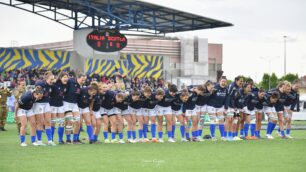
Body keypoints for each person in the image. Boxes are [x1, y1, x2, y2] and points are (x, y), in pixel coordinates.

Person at [33, 71, 55, 146]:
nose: (52, 81)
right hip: (38, 104)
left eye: (53, 79)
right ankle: (39, 141)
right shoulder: (40, 83)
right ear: (46, 78)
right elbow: (36, 92)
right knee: (40, 122)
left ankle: (50, 140)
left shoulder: (51, 86)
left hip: (46, 104)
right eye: (51, 79)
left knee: (48, 121)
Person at [63, 73, 86, 144]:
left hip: (74, 105)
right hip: (66, 103)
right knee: (69, 122)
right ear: (78, 78)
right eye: (82, 80)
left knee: (78, 122)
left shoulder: (80, 86)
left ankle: (75, 140)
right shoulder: (70, 81)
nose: (83, 81)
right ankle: (68, 139)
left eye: (84, 80)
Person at [49, 71, 68, 144]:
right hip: (53, 105)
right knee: (53, 123)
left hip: (60, 105)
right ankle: (51, 139)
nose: (66, 79)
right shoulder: (54, 85)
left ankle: (60, 140)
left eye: (67, 77)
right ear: (60, 78)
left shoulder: (65, 85)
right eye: (64, 77)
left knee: (61, 122)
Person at [207, 77, 228, 141]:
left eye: (225, 81)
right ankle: (213, 136)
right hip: (211, 106)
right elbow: (208, 95)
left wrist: (225, 107)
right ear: (219, 81)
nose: (223, 83)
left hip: (220, 107)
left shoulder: (226, 89)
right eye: (222, 81)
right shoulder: (215, 87)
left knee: (221, 121)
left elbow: (226, 99)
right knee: (213, 120)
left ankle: (222, 136)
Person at [225, 76, 243, 141]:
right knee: (229, 120)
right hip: (228, 105)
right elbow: (228, 96)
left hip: (233, 106)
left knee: (235, 119)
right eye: (240, 81)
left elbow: (235, 98)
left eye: (242, 81)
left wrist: (236, 106)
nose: (242, 82)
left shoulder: (238, 88)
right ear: (236, 80)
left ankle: (233, 135)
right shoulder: (231, 86)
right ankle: (226, 135)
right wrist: (226, 106)